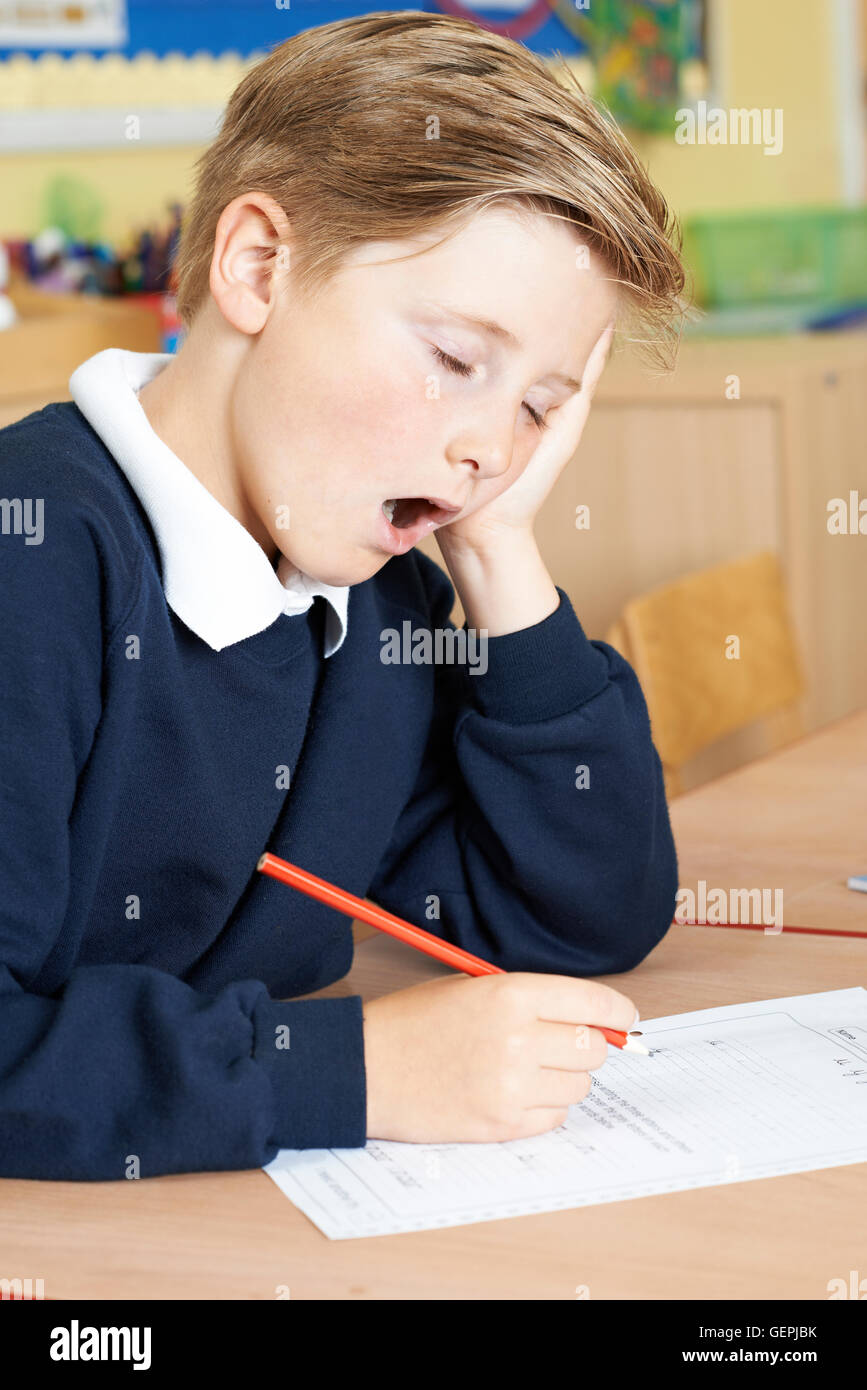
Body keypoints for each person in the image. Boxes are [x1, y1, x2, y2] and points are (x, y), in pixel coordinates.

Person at [0, 12, 684, 1179]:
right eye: (459, 360)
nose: (489, 447)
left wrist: (500, 557)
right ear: (259, 265)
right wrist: (355, 1069)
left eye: (539, 406)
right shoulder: (35, 562)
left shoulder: (369, 609)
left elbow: (583, 918)